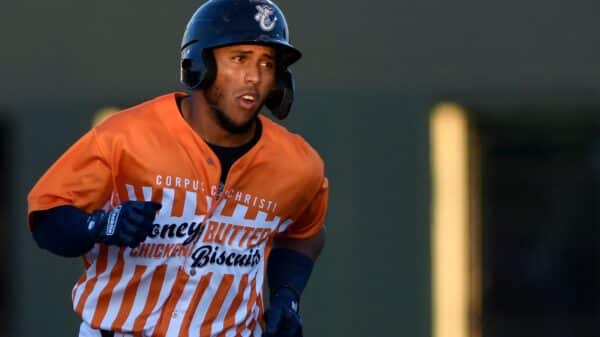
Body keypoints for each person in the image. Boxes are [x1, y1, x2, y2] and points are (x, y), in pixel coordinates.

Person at [27, 0, 329, 336]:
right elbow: (47, 216)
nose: (254, 76)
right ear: (201, 61)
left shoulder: (299, 164)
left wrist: (287, 296)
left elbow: (305, 233)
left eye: (267, 63)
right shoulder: (124, 136)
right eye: (239, 58)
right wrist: (99, 225)